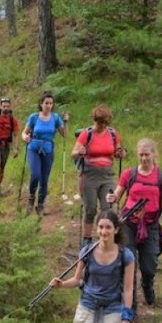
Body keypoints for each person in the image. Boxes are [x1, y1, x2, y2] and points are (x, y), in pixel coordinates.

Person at [108, 137, 162, 309]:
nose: (144, 158)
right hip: (128, 223)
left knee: (149, 265)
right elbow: (118, 194)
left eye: (147, 155)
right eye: (141, 155)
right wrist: (113, 197)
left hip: (150, 224)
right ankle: (131, 306)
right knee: (129, 262)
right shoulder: (129, 174)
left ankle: (147, 284)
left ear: (154, 154)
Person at [72, 104, 124, 248]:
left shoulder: (113, 134)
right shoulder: (87, 133)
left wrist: (120, 153)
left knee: (107, 208)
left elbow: (117, 150)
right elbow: (74, 152)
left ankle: (105, 239)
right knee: (90, 208)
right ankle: (87, 239)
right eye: (101, 122)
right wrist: (80, 152)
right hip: (89, 174)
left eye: (106, 122)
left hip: (107, 174)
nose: (103, 125)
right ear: (95, 120)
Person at [21, 92, 66, 215]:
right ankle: (31, 199)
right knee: (35, 175)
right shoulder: (34, 117)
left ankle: (40, 205)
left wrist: (64, 123)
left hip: (48, 150)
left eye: (51, 103)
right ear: (41, 104)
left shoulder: (56, 118)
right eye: (46, 103)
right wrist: (25, 137)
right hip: (33, 148)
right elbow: (24, 133)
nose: (48, 105)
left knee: (44, 179)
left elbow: (64, 134)